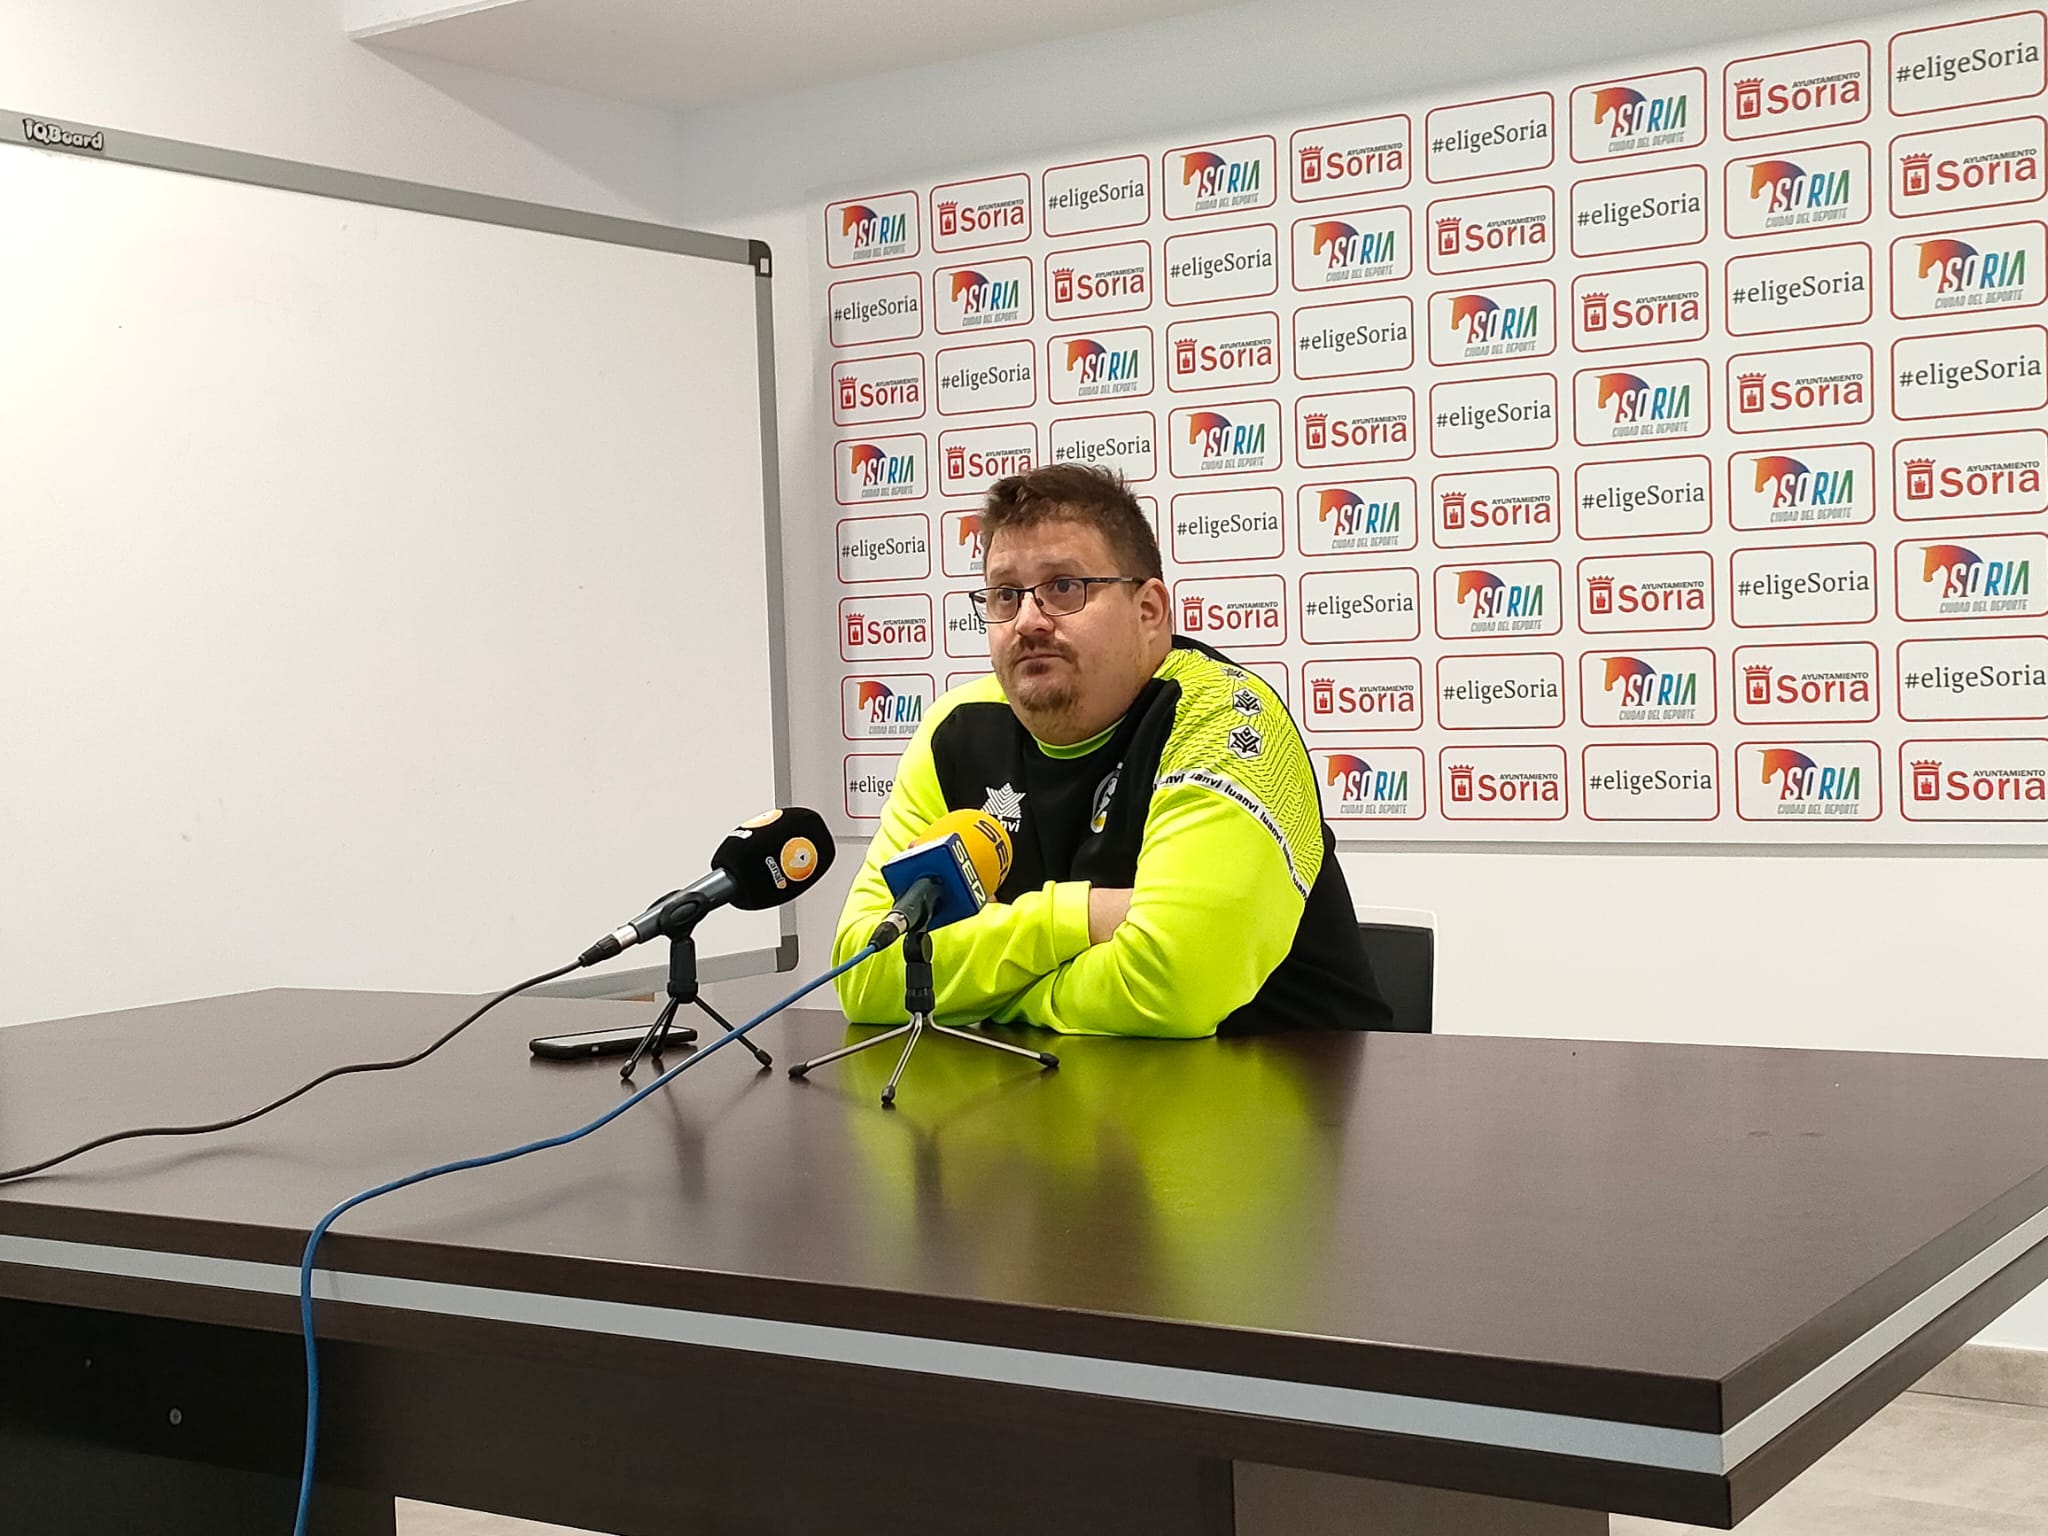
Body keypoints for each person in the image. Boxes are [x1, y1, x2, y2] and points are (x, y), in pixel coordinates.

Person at [832, 463, 1388, 1037]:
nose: (1027, 621)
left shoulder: (1225, 719)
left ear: (1149, 612)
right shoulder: (955, 731)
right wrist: (1085, 917)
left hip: (1289, 1098)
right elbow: (863, 973)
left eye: (1064, 588)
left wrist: (978, 995)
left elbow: (1171, 987)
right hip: (1049, 1103)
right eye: (1004, 595)